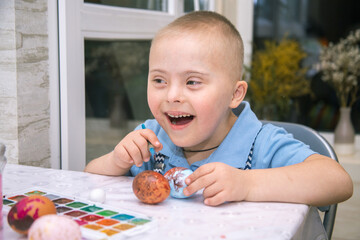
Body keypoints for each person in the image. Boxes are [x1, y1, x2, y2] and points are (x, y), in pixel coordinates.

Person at [85, 11, 353, 207]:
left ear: (234, 94)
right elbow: (89, 181)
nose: (172, 95)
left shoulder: (260, 144)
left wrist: (246, 184)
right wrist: (116, 162)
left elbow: (338, 181)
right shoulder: (150, 137)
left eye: (192, 82)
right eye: (159, 80)